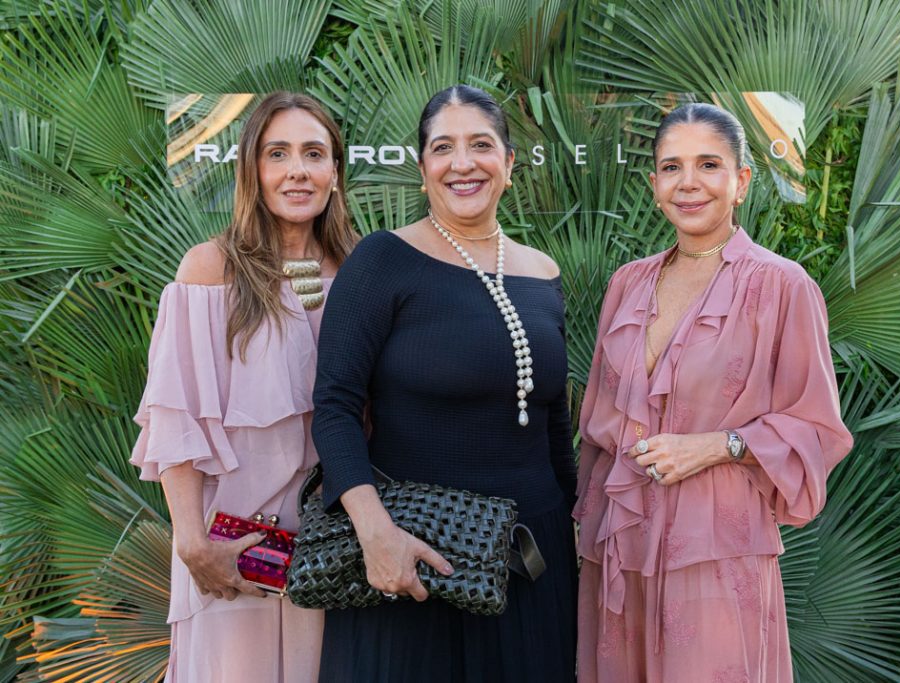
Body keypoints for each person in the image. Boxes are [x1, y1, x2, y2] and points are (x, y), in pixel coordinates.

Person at [574, 103, 854, 682]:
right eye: (672, 167)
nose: (689, 182)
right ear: (654, 185)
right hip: (623, 540)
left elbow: (816, 428)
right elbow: (599, 425)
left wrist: (715, 446)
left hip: (718, 545)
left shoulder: (781, 285)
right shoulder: (628, 282)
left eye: (708, 164)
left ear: (741, 181)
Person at [311, 84, 577, 682]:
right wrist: (374, 533)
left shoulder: (543, 272)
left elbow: (553, 418)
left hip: (533, 562)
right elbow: (333, 407)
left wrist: (576, 524)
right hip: (414, 562)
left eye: (481, 145)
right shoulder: (382, 260)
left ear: (509, 164)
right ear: (423, 166)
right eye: (443, 148)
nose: (463, 163)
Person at [130, 91, 358, 682]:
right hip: (235, 547)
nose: (297, 170)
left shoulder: (361, 271)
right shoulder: (209, 269)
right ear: (253, 171)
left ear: (335, 171)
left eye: (314, 153)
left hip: (338, 546)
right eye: (277, 153)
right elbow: (177, 414)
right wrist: (192, 542)